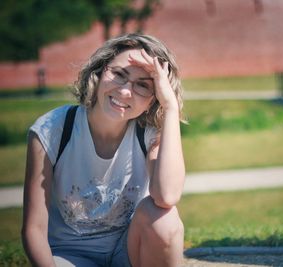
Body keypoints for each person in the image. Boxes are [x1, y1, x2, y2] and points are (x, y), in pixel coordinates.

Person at [22, 33, 186, 267]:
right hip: (70, 256)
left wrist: (170, 108)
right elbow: (33, 230)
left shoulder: (148, 133)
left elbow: (167, 195)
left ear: (154, 98)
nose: (125, 91)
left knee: (164, 218)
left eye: (142, 85)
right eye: (119, 74)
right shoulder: (53, 129)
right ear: (99, 72)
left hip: (128, 252)